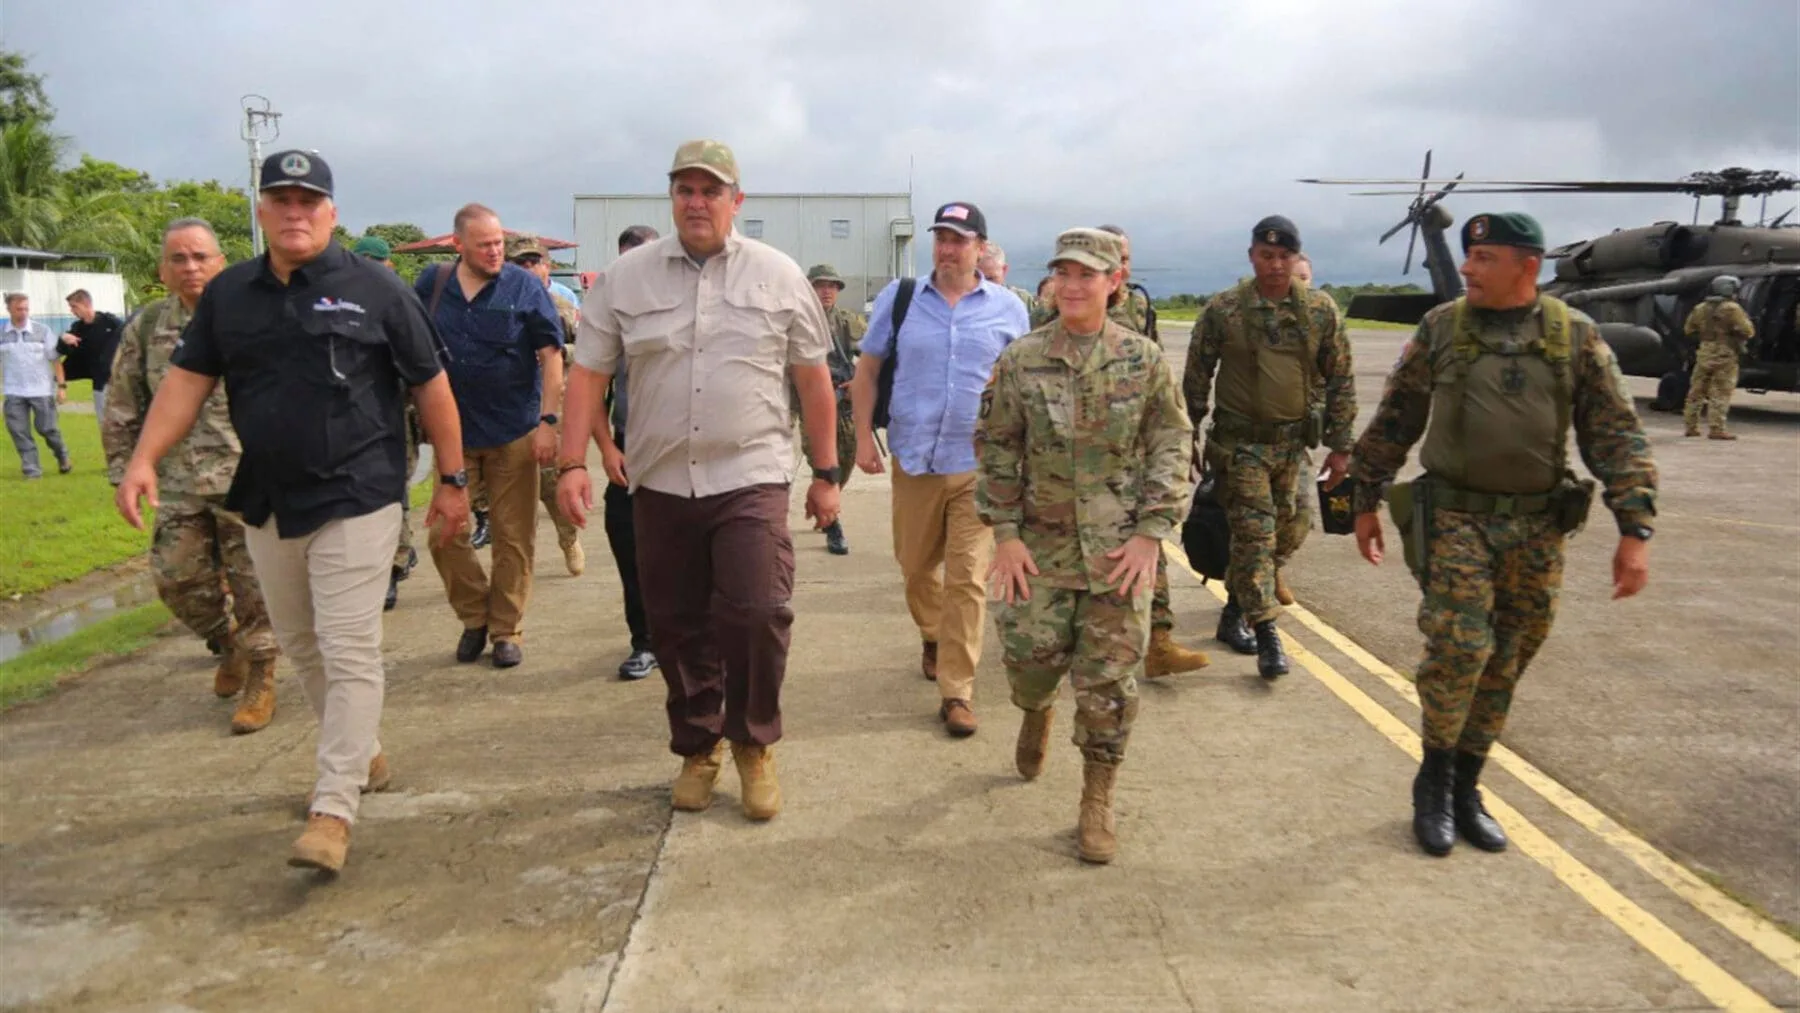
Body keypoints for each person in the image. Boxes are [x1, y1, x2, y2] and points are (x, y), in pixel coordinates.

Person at [115, 148, 470, 875]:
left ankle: (333, 807)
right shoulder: (230, 295)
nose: (295, 212)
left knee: (348, 645)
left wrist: (453, 479)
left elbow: (431, 384)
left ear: (332, 213)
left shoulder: (375, 288)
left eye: (309, 201)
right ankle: (362, 750)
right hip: (269, 496)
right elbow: (185, 381)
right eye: (281, 200)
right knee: (301, 645)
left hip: (359, 491)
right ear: (263, 210)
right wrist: (144, 457)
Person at [1349, 211, 1657, 857]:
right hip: (1454, 518)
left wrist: (1635, 528)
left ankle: (1468, 784)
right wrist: (1364, 497)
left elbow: (1615, 434)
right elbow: (1397, 416)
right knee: (1460, 646)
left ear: (1528, 265)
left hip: (1538, 525)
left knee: (1508, 656)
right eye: (1468, 255)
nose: (1467, 267)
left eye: (1484, 258)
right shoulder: (1442, 328)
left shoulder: (1574, 336)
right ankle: (1433, 781)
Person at [558, 140, 837, 820]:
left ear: (736, 201)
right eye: (684, 189)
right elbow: (588, 375)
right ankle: (698, 745)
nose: (696, 202)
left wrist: (826, 472)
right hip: (659, 482)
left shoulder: (778, 274)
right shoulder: (626, 278)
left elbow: (812, 378)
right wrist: (571, 463)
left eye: (711, 190)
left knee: (758, 610)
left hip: (750, 475)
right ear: (671, 197)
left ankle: (754, 743)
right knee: (676, 623)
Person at [977, 228, 1191, 864]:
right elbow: (997, 445)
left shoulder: (1142, 359)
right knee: (1029, 661)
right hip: (1038, 550)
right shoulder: (1022, 359)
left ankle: (1097, 796)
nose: (1072, 286)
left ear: (1113, 282)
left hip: (1117, 552)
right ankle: (1036, 707)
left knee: (1109, 683)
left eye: (1087, 275)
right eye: (1063, 273)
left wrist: (1152, 533)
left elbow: (1171, 442)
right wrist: (1005, 535)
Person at [849, 201, 1030, 738]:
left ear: (980, 247)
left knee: (967, 580)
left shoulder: (1009, 309)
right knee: (915, 569)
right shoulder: (900, 298)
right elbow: (868, 369)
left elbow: (1023, 388)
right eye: (942, 238)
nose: (948, 249)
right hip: (914, 460)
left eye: (959, 240)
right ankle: (932, 634)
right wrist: (862, 436)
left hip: (977, 465)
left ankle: (957, 691)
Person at [103, 218, 282, 733]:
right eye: (178, 259)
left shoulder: (253, 318)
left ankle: (261, 676)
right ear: (162, 270)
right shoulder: (146, 327)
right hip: (178, 482)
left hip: (247, 479)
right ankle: (228, 645)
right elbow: (122, 404)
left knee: (255, 587)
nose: (190, 267)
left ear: (221, 264)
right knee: (177, 579)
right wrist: (125, 472)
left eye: (201, 257)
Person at [1182, 215, 1355, 678]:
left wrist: (1341, 446)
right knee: (1255, 536)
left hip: (1293, 446)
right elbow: (1197, 373)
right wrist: (1188, 433)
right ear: (1251, 256)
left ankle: (1235, 608)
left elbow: (1341, 378)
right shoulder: (1224, 310)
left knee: (1293, 527)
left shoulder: (1319, 310)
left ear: (1296, 258)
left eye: (1284, 256)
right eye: (1266, 255)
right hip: (1240, 446)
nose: (1276, 265)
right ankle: (1266, 634)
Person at [415, 205, 564, 669]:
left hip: (513, 431)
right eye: (484, 245)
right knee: (444, 534)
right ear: (457, 244)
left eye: (499, 242)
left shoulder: (523, 286)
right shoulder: (432, 284)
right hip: (454, 436)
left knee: (513, 538)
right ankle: (475, 616)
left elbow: (552, 355)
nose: (495, 251)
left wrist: (548, 421)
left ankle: (505, 630)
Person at [1092, 225, 1208, 677]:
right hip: (1084, 457)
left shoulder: (1140, 307)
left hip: (1135, 449)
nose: (1121, 266)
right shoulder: (1065, 306)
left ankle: (1159, 642)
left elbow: (1156, 371)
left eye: (1126, 258)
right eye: (1113, 257)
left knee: (1149, 538)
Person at [593, 225, 661, 682]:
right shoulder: (609, 315)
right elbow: (590, 388)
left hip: (684, 449)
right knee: (627, 540)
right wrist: (604, 448)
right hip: (628, 447)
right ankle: (645, 640)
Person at [350, 236, 424, 612]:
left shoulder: (400, 305)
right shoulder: (340, 307)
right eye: (361, 261)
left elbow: (423, 371)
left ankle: (394, 566)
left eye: (374, 262)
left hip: (394, 417)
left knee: (394, 494)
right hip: (352, 422)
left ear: (388, 265)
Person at [508, 233, 587, 575]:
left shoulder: (562, 306)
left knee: (552, 482)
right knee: (513, 489)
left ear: (547, 266)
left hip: (551, 407)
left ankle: (568, 539)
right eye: (520, 264)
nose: (528, 269)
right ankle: (517, 559)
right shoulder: (498, 305)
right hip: (511, 408)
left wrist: (552, 352)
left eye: (534, 262)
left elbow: (588, 352)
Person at [802, 263, 867, 555]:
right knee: (821, 460)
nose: (826, 291)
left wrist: (859, 380)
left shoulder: (847, 322)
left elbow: (873, 354)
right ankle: (832, 524)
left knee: (847, 458)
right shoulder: (797, 319)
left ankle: (824, 499)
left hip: (842, 401)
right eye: (820, 285)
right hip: (809, 403)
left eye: (832, 286)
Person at [2, 293, 71, 478]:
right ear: (9, 309)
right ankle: (32, 470)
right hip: (14, 390)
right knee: (19, 431)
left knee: (47, 429)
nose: (23, 313)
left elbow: (55, 361)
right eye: (19, 309)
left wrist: (62, 387)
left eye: (26, 309)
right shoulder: (2, 334)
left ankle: (62, 454)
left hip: (41, 390)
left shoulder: (43, 331)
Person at [1682, 275, 1754, 440]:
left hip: (1704, 352)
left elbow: (1688, 330)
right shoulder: (1732, 309)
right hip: (1725, 354)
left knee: (1696, 391)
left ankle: (1691, 427)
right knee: (1721, 391)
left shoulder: (1700, 308)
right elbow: (1748, 331)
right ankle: (1717, 428)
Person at [58, 290, 125, 420]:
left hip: (119, 382)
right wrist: (63, 340)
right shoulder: (78, 328)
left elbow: (130, 341)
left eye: (74, 306)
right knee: (104, 422)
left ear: (86, 304)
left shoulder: (110, 322)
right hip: (99, 384)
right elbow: (63, 351)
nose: (72, 311)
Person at [977, 241, 1038, 319]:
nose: (984, 286)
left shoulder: (1022, 300)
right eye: (977, 279)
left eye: (990, 279)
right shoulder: (963, 303)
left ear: (1004, 270)